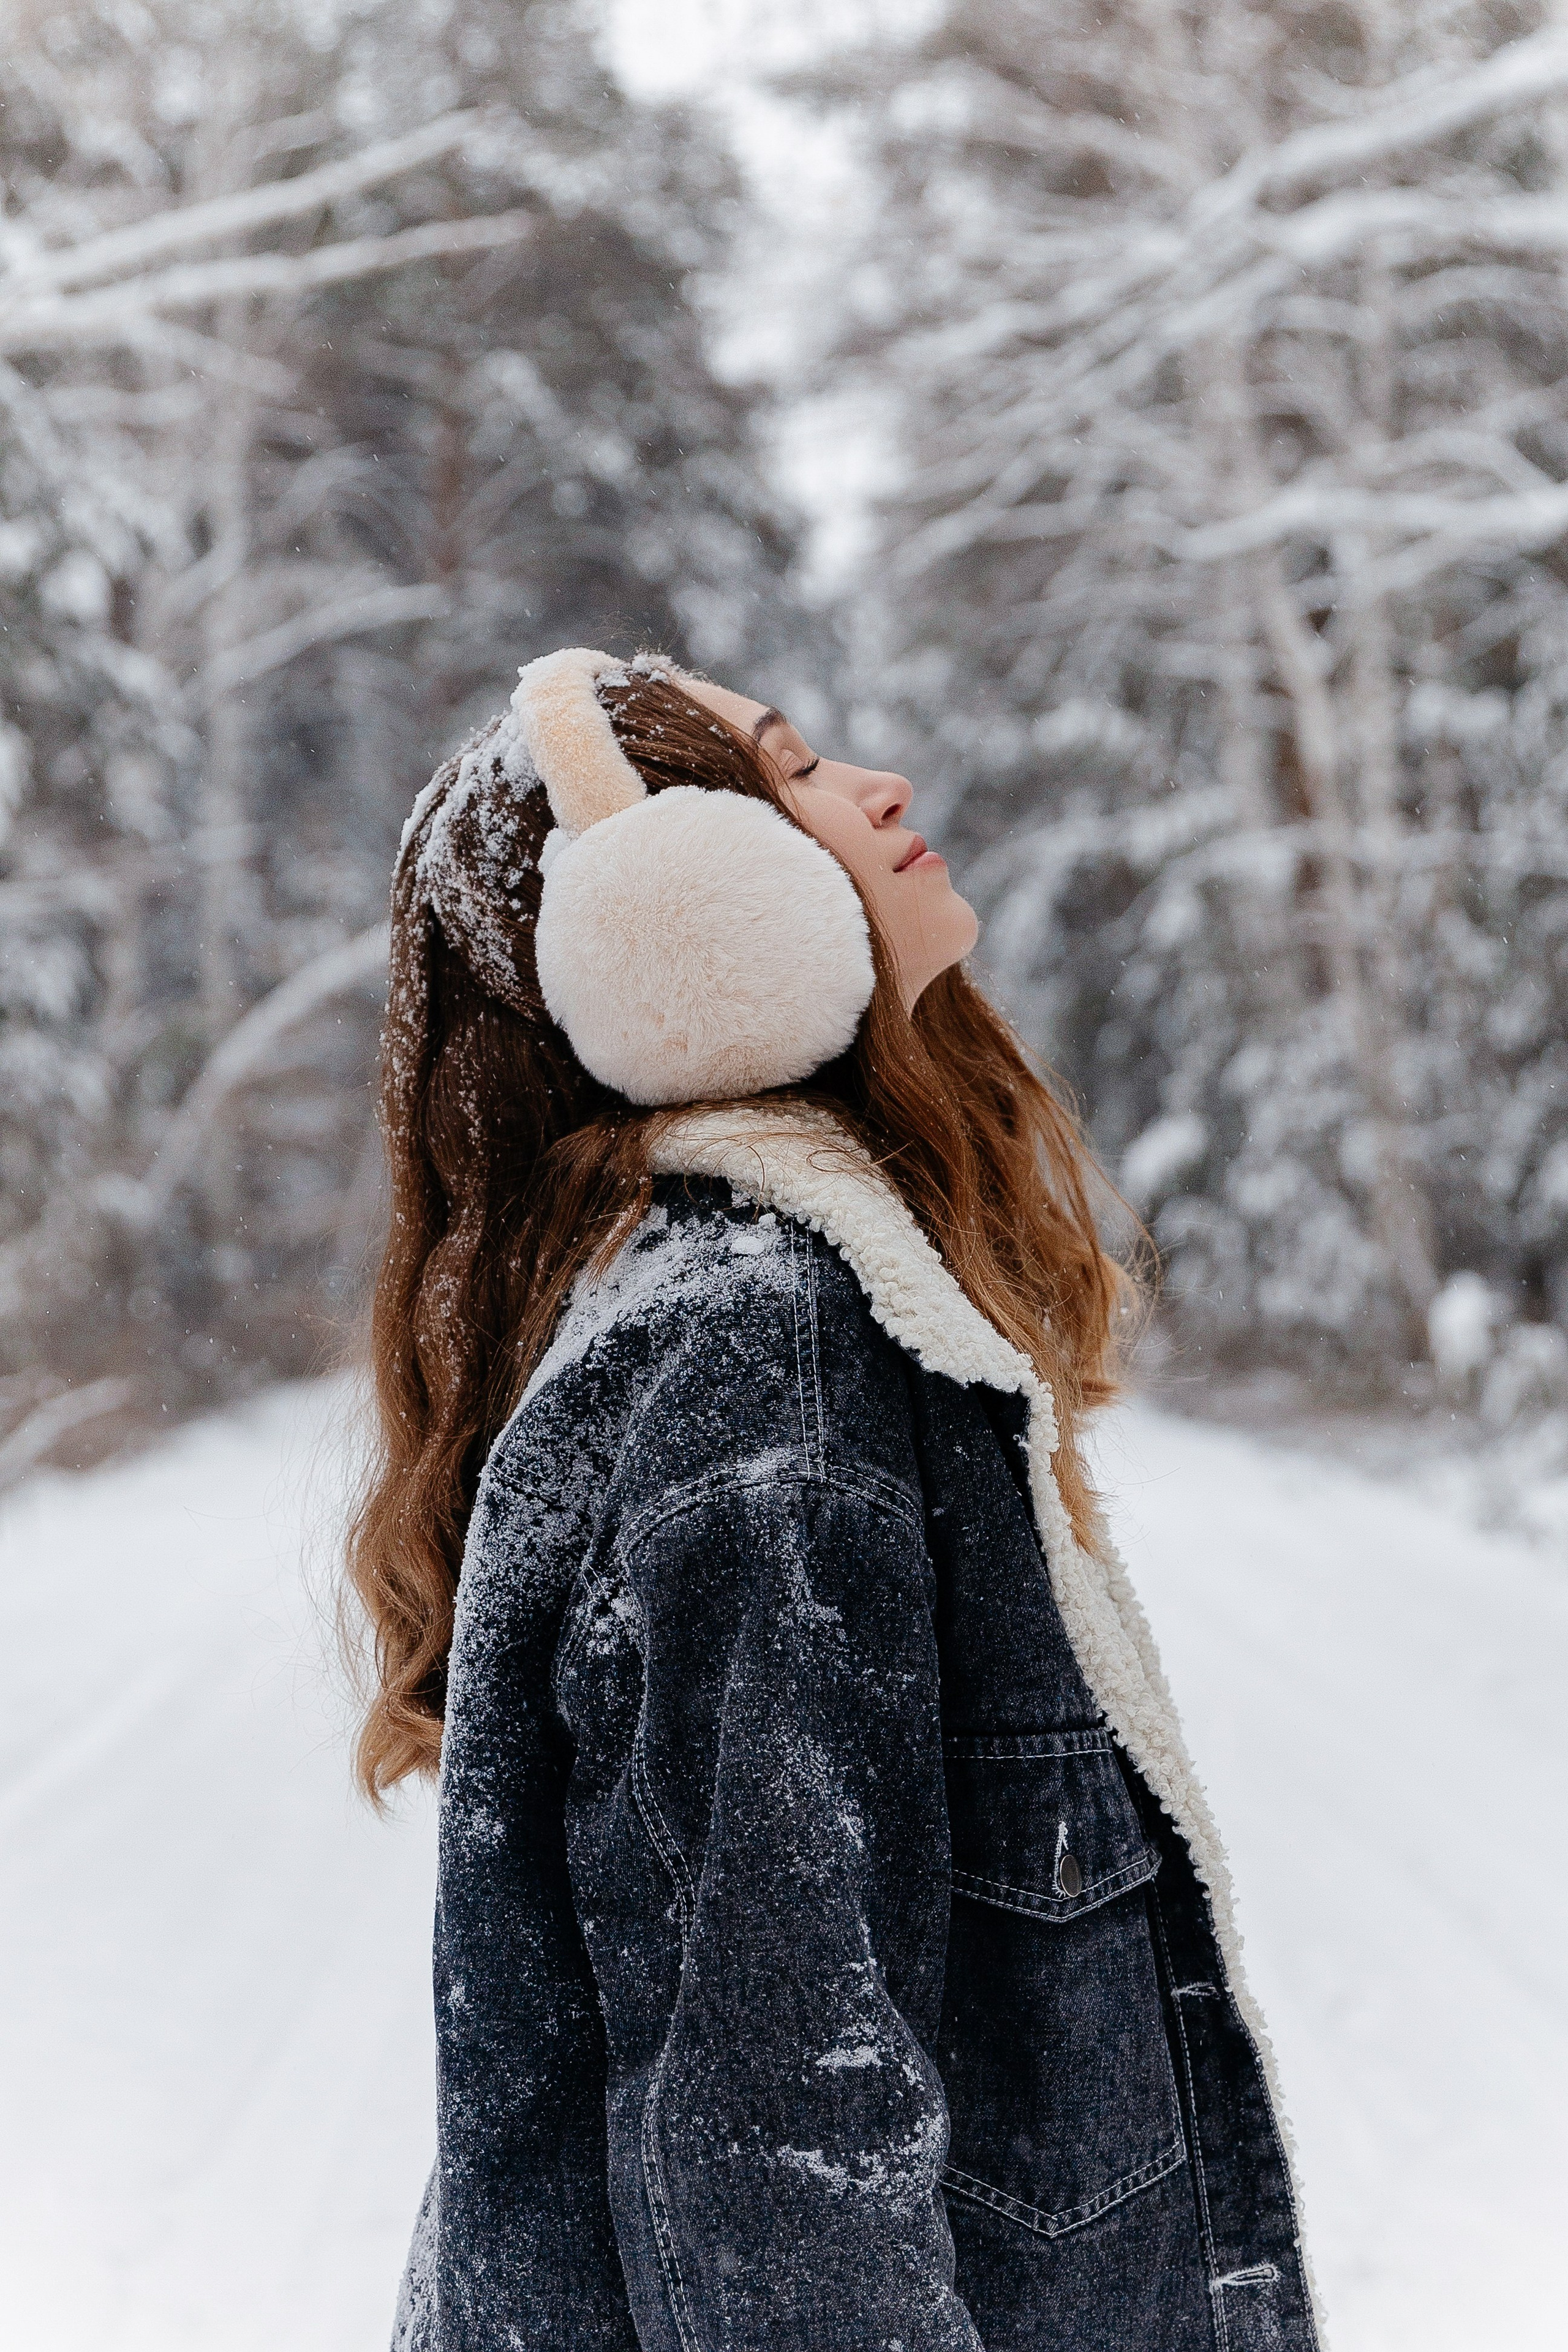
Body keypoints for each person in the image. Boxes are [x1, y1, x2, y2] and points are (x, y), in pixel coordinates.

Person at [348, 648, 1321, 2351]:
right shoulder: (763, 1366)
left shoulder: (749, 1325)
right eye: (800, 772)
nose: (885, 791)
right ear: (691, 921)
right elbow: (787, 2157)